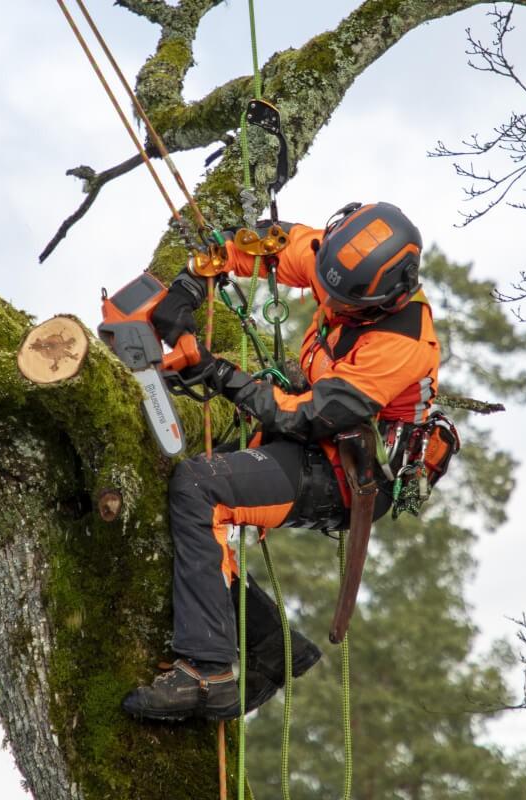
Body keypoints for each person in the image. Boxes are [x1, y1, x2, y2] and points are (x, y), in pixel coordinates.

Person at [122, 202, 441, 721]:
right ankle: (272, 649)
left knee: (200, 488)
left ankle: (210, 673)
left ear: (386, 298)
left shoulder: (401, 344)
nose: (329, 302)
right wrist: (191, 281)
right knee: (192, 505)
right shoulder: (338, 267)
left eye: (343, 302)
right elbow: (259, 243)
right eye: (326, 290)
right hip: (317, 441)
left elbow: (311, 418)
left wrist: (218, 373)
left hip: (348, 473)